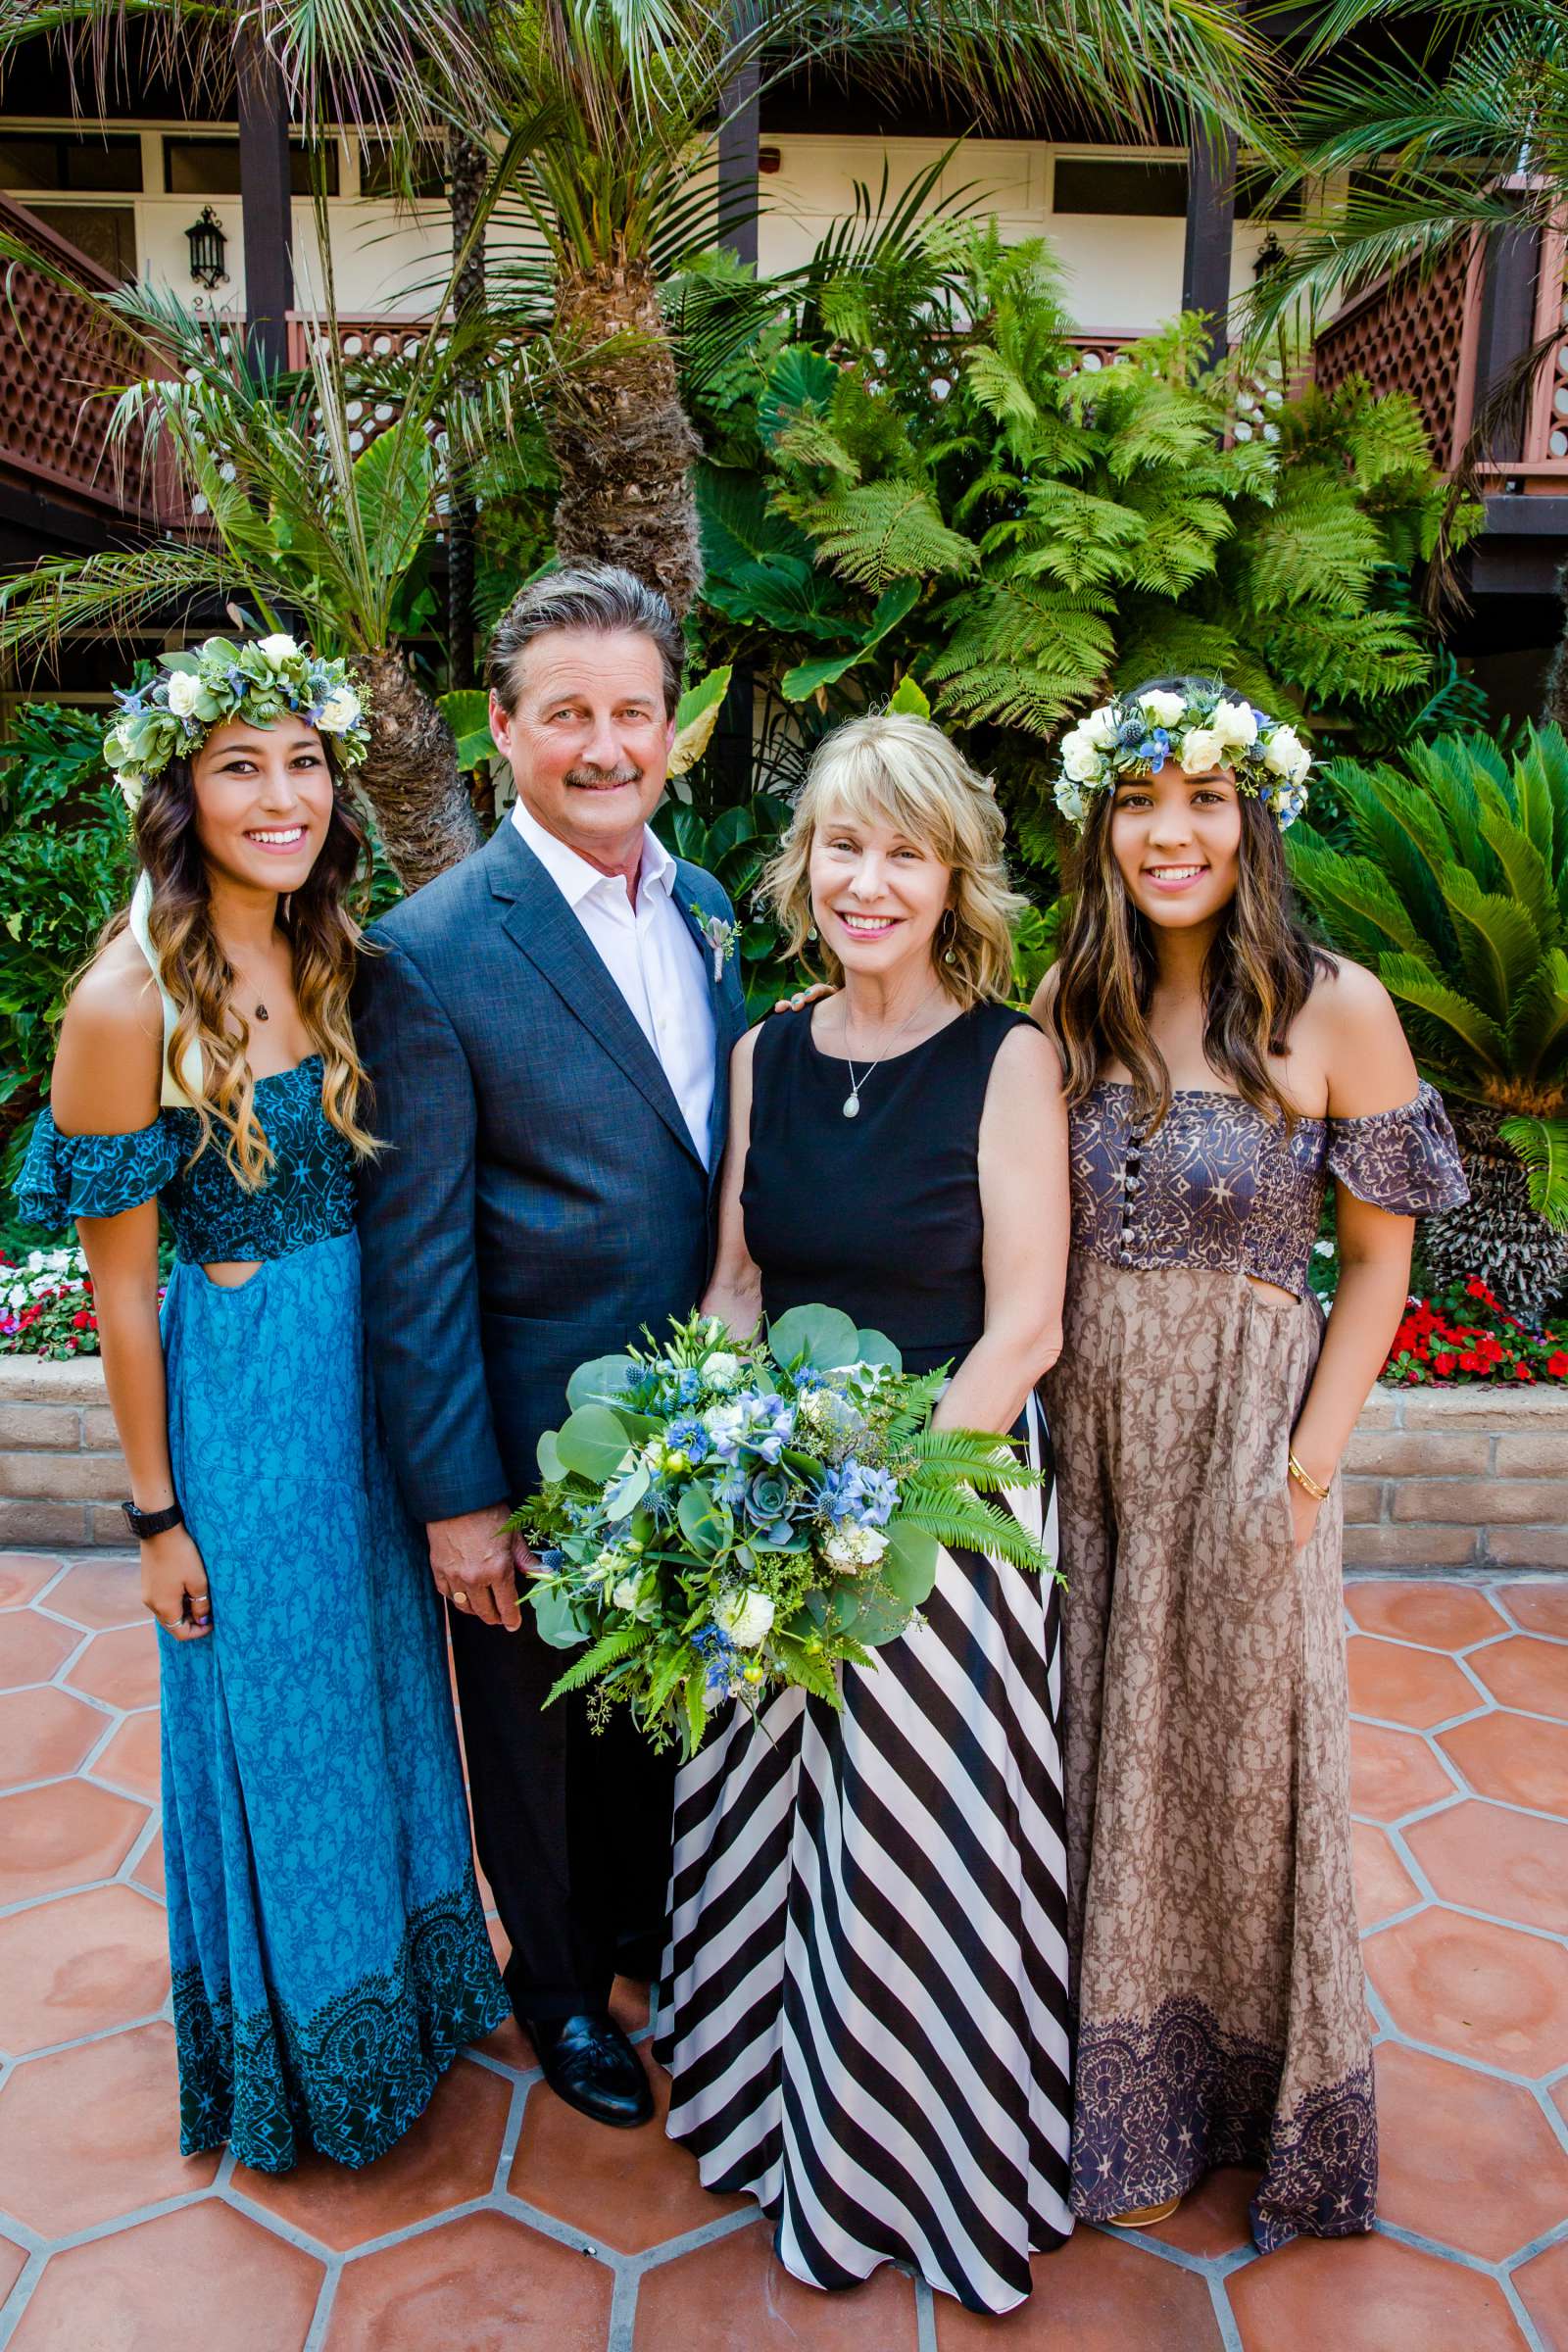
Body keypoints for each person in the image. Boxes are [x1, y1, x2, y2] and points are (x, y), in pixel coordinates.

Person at [14, 636, 507, 2172]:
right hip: (249, 1410)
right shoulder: (122, 1005)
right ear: (180, 793)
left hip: (376, 1383)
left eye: (303, 761)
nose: (281, 795)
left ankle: (419, 1991)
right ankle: (311, 2055)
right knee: (283, 1715)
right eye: (241, 765)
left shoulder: (334, 953)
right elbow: (117, 1292)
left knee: (385, 1684)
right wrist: (157, 1516)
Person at [1036, 678, 1468, 2248]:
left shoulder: (1333, 1005)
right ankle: (1098, 2086)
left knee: (1245, 1756)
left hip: (1245, 1437)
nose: (1171, 832)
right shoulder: (1066, 1002)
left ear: (1254, 818)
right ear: (1102, 824)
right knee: (1101, 1744)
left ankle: (1249, 2095)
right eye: (1141, 801)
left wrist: (1305, 1471)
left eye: (1205, 799)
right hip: (1086, 1433)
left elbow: (1379, 1265)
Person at [657, 711, 1074, 2316]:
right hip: (774, 1512)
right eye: (844, 844)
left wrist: (866, 1512)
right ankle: (780, 2114)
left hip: (941, 1514)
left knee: (909, 1838)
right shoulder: (767, 1050)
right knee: (774, 1820)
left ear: (955, 873)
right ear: (804, 866)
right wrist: (707, 1469)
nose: (869, 879)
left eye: (903, 849)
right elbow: (743, 1283)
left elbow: (1025, 1326)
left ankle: (914, 2155)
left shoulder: (1008, 1056)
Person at [355, 564, 748, 2130]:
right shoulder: (431, 950)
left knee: (664, 1709)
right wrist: (458, 1495)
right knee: (533, 1740)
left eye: (633, 712)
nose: (605, 745)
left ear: (673, 729)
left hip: (693, 1420)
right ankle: (563, 1994)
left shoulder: (713, 909)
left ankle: (656, 1937)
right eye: (567, 714)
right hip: (521, 1427)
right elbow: (419, 1250)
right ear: (501, 731)